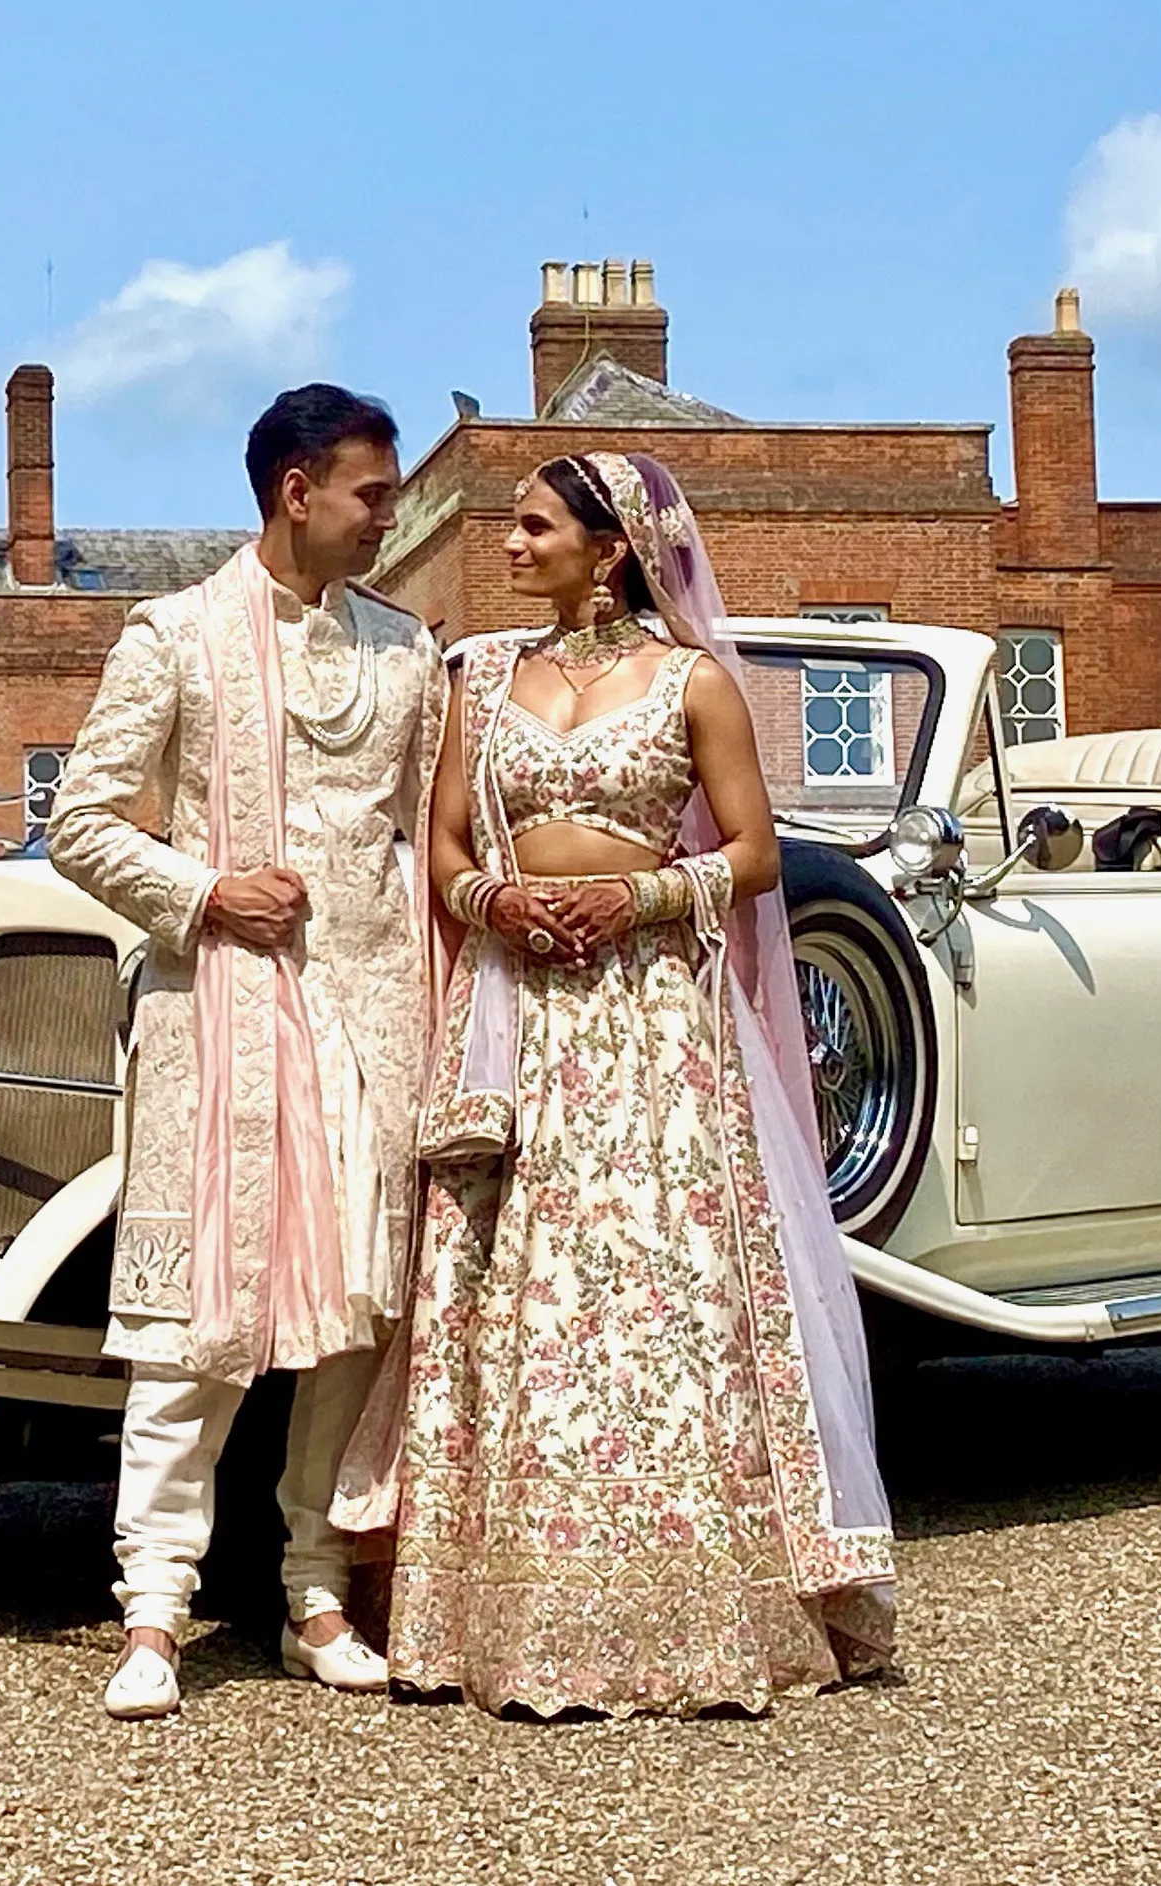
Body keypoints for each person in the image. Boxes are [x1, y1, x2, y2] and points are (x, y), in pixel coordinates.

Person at [334, 449, 898, 1717]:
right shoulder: (481, 673)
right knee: (516, 1279)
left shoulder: (695, 681)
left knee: (656, 1281)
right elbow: (444, 844)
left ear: (611, 547)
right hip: (518, 1010)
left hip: (650, 1021)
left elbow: (753, 854)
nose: (513, 547)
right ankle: (499, 1609)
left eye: (536, 528)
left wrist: (636, 896)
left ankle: (698, 1601)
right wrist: (505, 903)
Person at [45, 384, 444, 1721]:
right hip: (221, 1004)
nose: (390, 513)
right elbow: (81, 823)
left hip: (375, 1011)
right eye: (372, 492)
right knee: (194, 1324)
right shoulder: (173, 636)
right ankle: (153, 1607)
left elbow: (435, 836)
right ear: (295, 490)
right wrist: (207, 890)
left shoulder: (406, 651)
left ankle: (314, 1585)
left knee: (355, 1314)